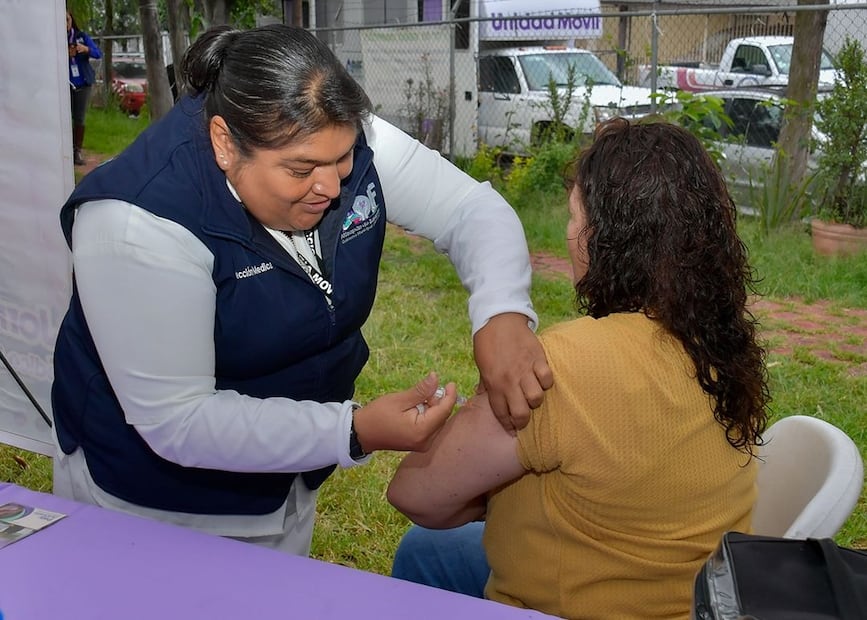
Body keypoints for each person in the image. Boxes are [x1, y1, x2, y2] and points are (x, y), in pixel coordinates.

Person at [50, 23, 551, 557]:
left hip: (285, 478)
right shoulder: (136, 222)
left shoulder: (327, 135)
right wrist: (352, 431)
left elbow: (470, 208)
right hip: (152, 505)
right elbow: (179, 419)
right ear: (224, 142)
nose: (333, 187)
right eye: (302, 170)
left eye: (343, 161)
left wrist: (501, 313)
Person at [387, 118, 770, 619]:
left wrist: (488, 471)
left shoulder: (565, 365)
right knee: (431, 552)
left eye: (573, 217)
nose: (568, 234)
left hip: (581, 605)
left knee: (421, 549)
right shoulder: (723, 344)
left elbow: (417, 495)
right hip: (691, 598)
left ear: (603, 239)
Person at [66, 10, 102, 166]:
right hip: (65, 83)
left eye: (66, 20)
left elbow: (98, 53)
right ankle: (65, 150)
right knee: (65, 118)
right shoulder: (54, 38)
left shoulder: (81, 36)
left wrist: (85, 49)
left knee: (79, 117)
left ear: (71, 20)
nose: (64, 24)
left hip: (82, 83)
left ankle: (77, 151)